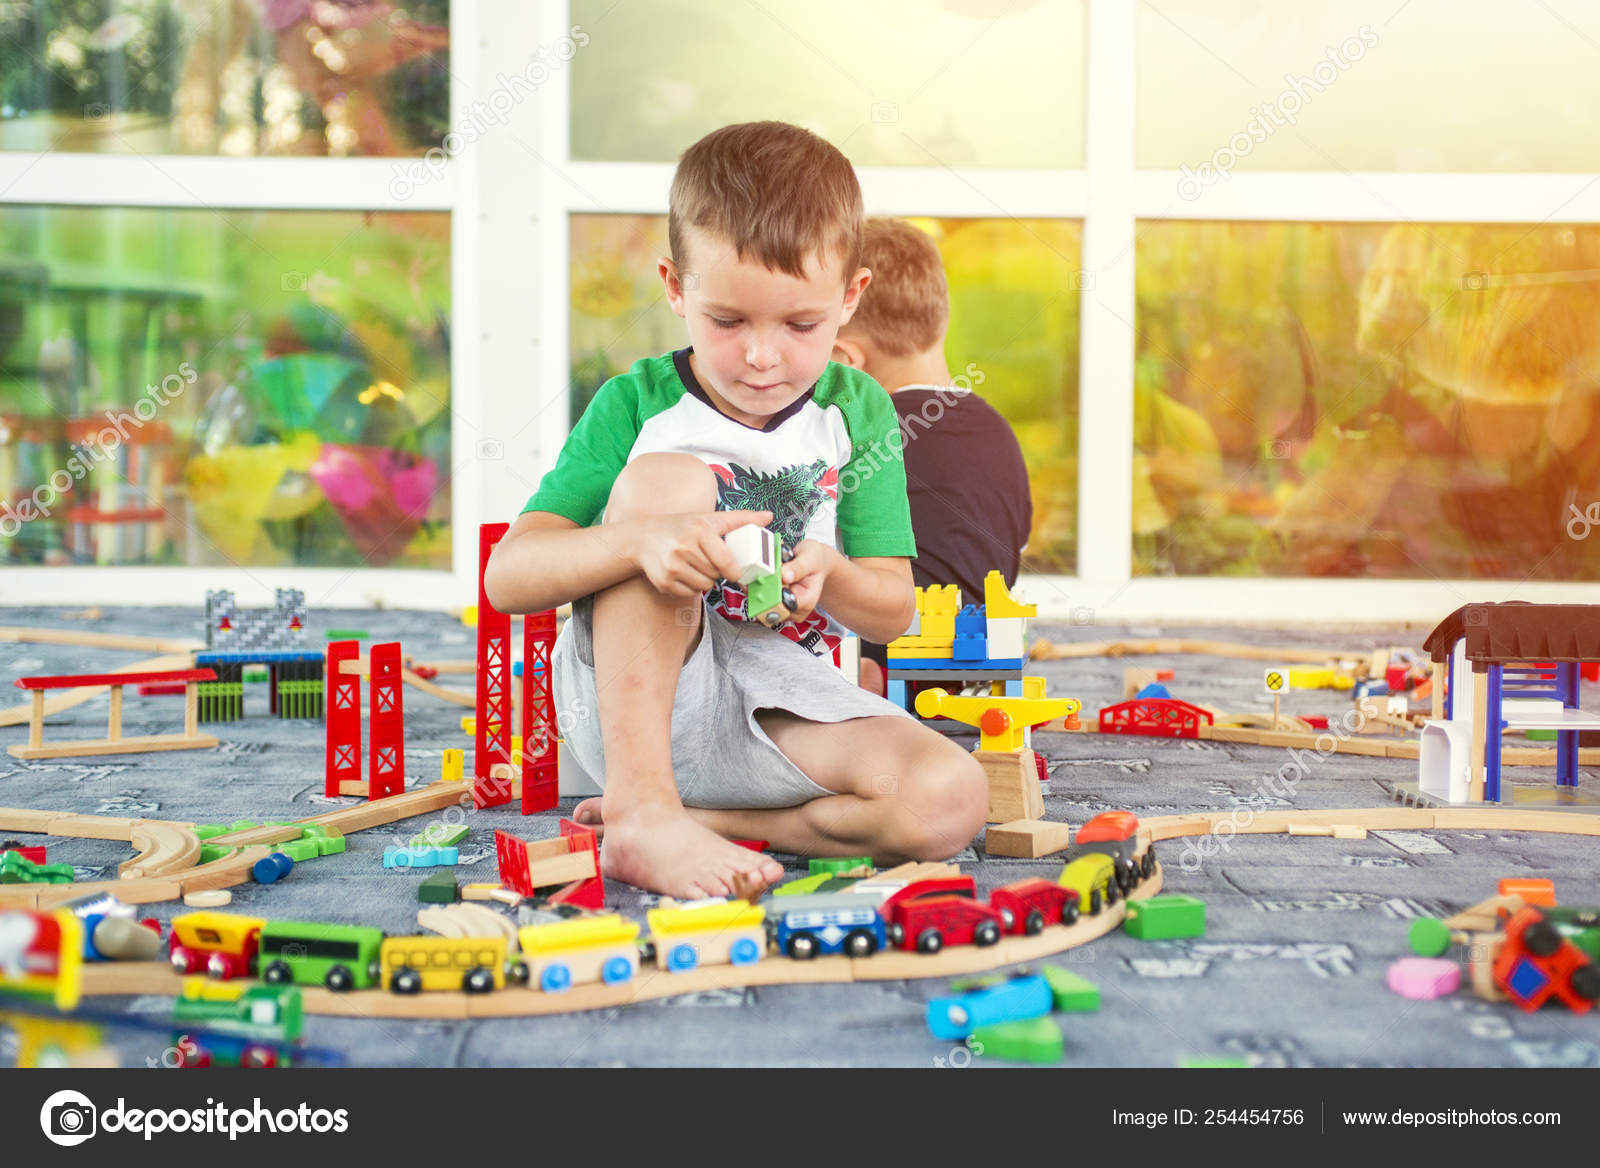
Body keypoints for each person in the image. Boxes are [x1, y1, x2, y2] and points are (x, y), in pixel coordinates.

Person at [483, 122, 987, 901]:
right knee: (665, 485)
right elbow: (509, 579)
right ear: (676, 287)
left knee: (952, 798)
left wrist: (835, 575)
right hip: (645, 714)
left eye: (800, 324)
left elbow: (891, 613)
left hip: (783, 709)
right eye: (727, 322)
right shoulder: (637, 404)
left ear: (852, 297)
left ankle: (704, 821)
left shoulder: (862, 413)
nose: (762, 357)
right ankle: (644, 808)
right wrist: (640, 540)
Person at [829, 217, 1033, 691]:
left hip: (877, 657)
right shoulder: (998, 434)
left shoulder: (852, 439)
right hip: (973, 658)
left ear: (845, 360)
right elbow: (1012, 547)